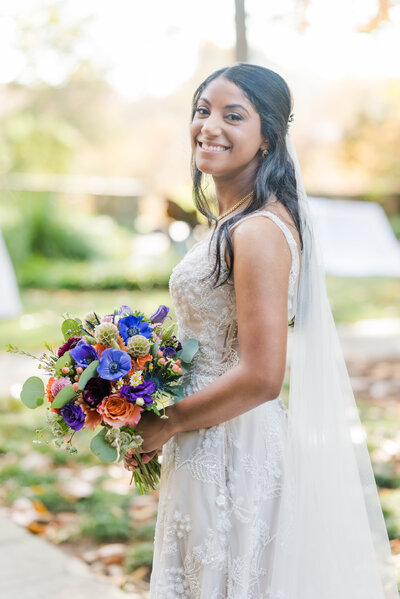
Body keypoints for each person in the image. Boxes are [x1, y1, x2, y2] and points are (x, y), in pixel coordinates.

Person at [125, 64, 399, 599]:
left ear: (267, 137)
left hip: (232, 447)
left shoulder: (257, 232)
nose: (209, 126)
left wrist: (166, 422)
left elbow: (262, 376)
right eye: (202, 111)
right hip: (206, 437)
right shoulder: (233, 222)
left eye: (233, 116)